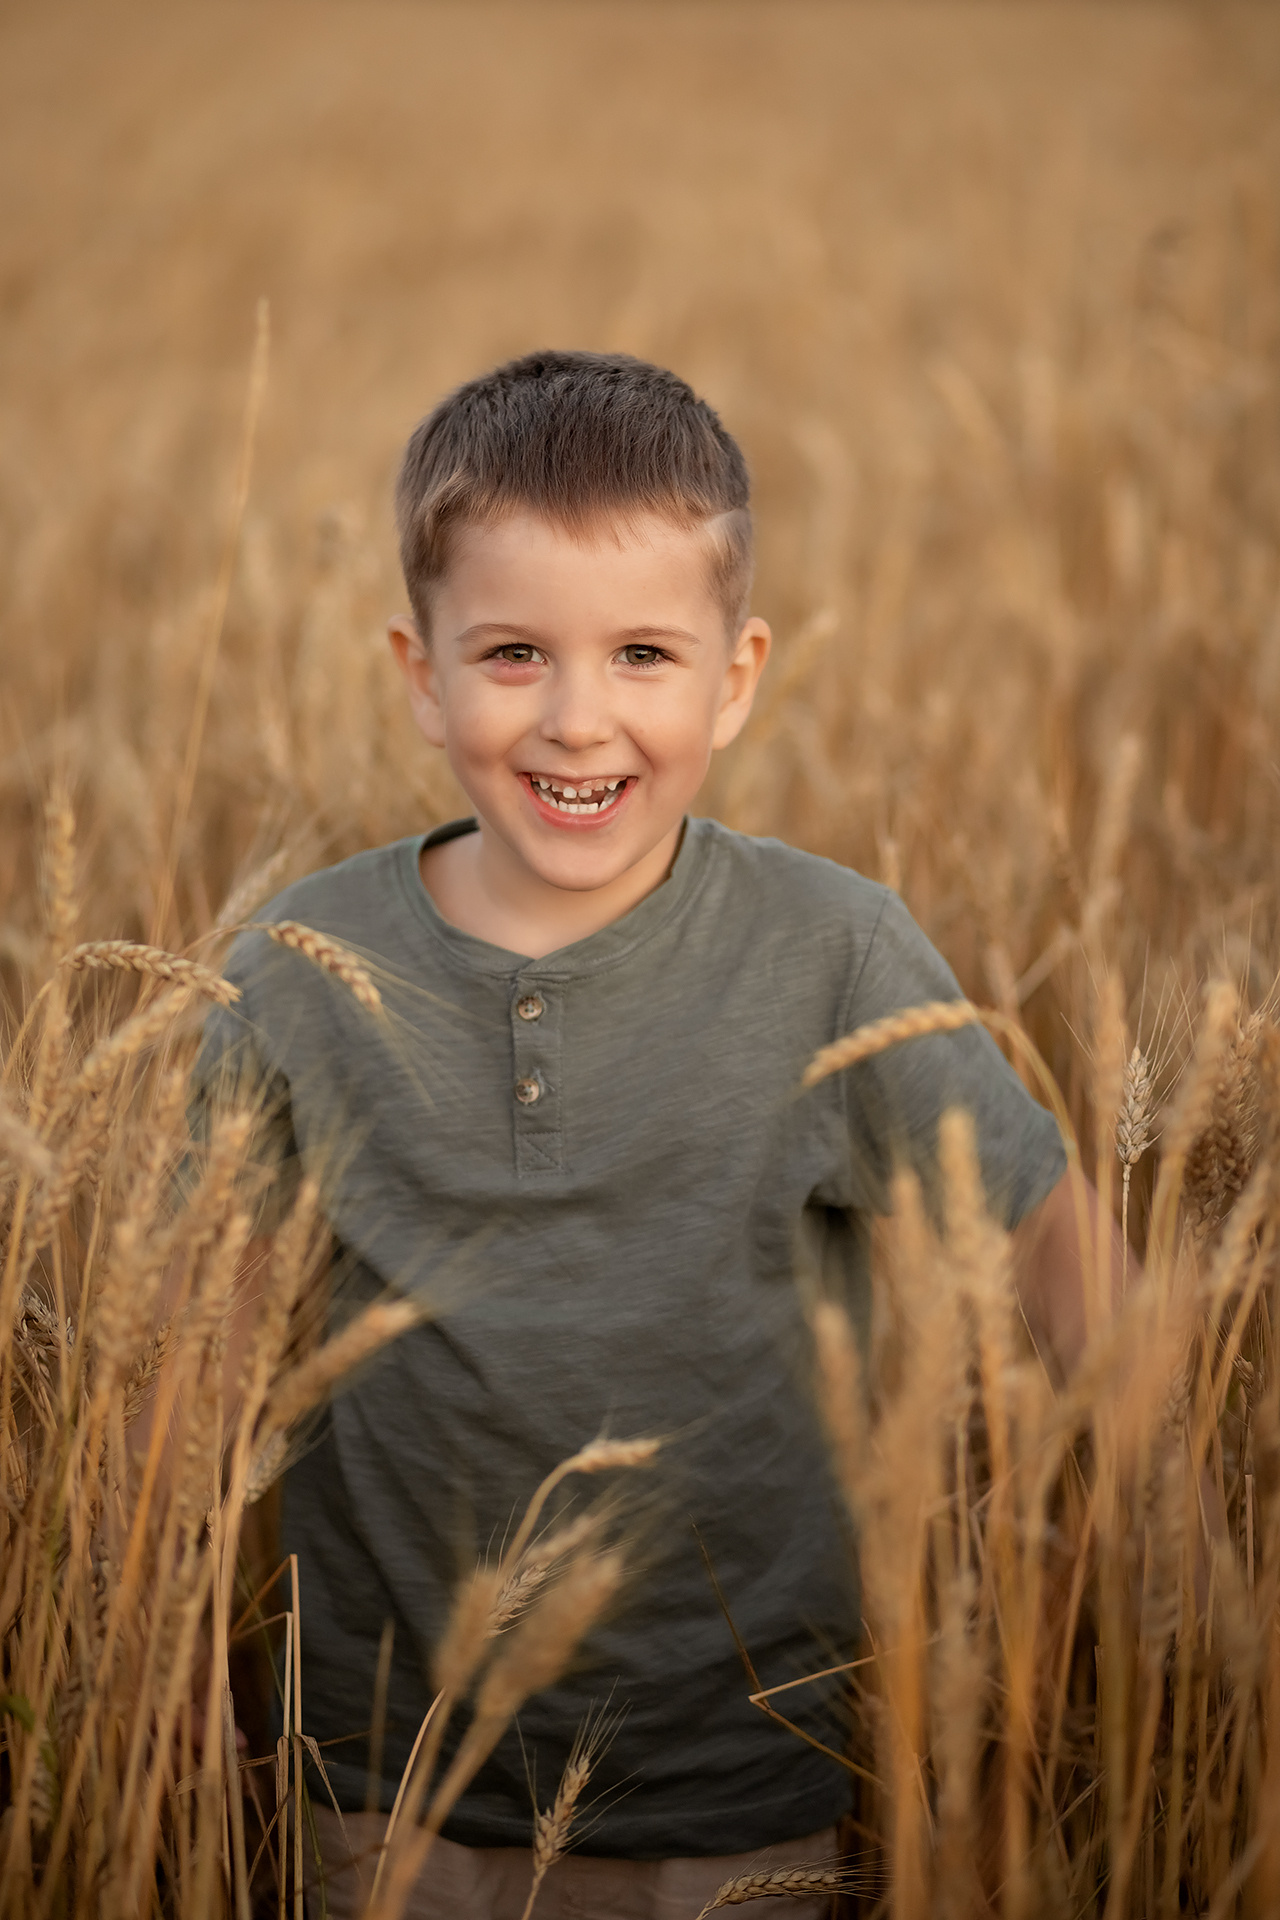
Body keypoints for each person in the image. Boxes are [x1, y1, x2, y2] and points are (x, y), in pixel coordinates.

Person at [193, 350, 1084, 1919]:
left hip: (739, 1787)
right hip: (385, 1792)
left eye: (644, 655)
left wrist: (1194, 1570)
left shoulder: (830, 954)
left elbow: (1058, 1245)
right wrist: (176, 1715)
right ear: (422, 673)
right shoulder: (298, 978)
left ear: (736, 678)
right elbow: (182, 1380)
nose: (580, 719)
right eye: (516, 653)